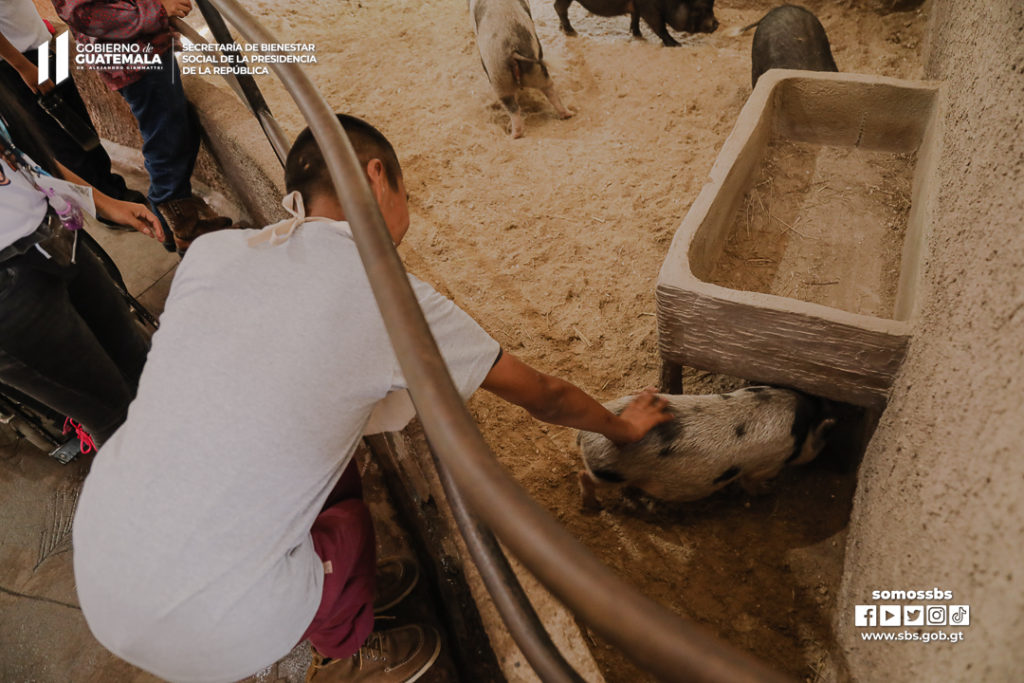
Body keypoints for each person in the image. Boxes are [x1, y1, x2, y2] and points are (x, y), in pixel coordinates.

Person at [71, 115, 670, 683]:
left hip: (99, 546)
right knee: (351, 519)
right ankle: (348, 652)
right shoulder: (393, 298)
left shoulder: (216, 250)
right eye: (409, 189)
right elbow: (543, 393)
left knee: (313, 454)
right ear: (378, 176)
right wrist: (623, 429)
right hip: (220, 630)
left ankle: (327, 585)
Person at [0, 88, 163, 446]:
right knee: (113, 415)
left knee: (142, 363)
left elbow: (20, 153)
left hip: (54, 236)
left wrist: (103, 202)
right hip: (9, 297)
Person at [50, 0, 232, 252]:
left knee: (177, 129)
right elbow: (85, 12)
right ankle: (179, 226)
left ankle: (175, 215)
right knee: (166, 138)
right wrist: (156, 10)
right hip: (131, 57)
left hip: (139, 49)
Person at [0, 0, 146, 214]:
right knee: (62, 136)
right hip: (21, 65)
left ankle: (111, 186)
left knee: (81, 125)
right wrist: (23, 68)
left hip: (44, 45)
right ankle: (107, 205)